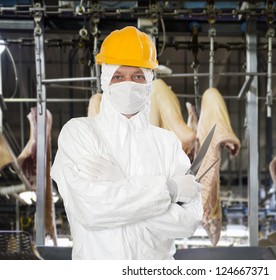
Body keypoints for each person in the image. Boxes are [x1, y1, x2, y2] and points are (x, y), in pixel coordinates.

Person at [51, 26, 203, 260]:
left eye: (138, 76)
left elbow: (187, 223)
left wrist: (121, 186)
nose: (128, 84)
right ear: (105, 81)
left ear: (149, 82)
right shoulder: (80, 133)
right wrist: (169, 190)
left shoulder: (167, 144)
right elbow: (91, 210)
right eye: (118, 77)